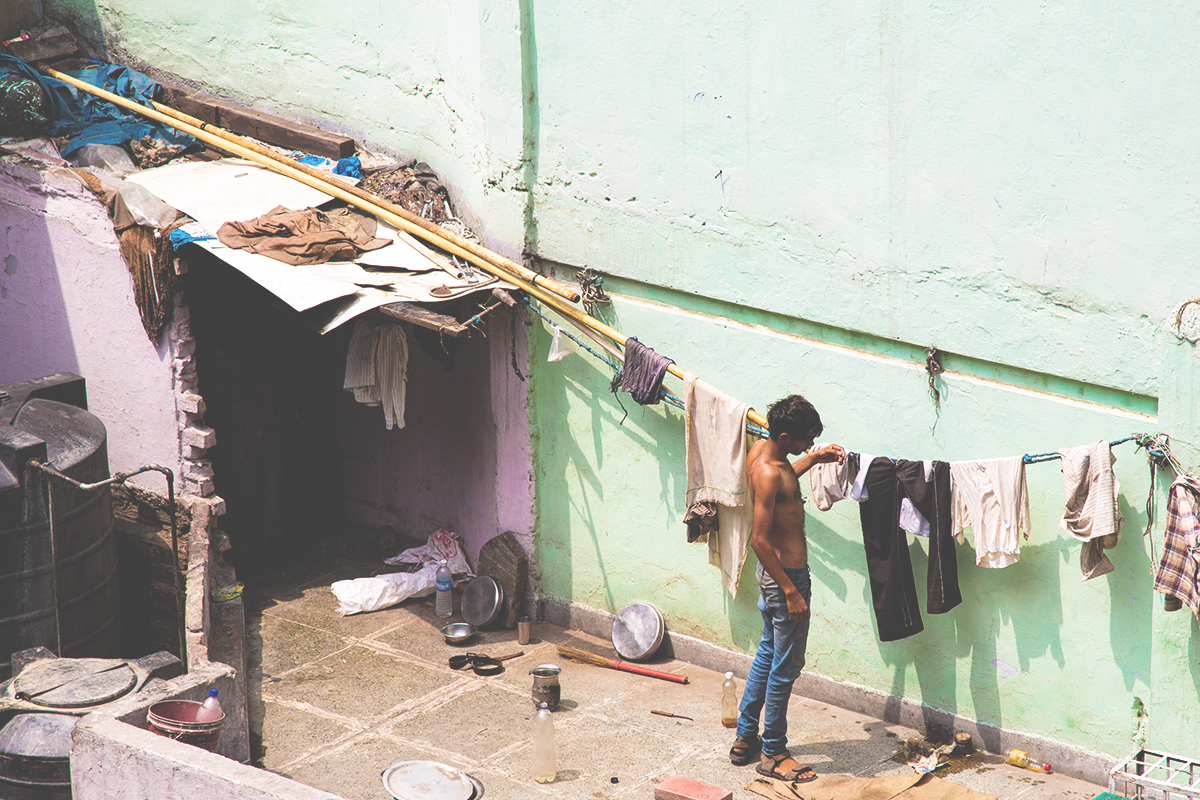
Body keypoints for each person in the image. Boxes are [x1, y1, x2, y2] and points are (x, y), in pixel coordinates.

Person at [729, 394, 844, 783]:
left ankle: (745, 737)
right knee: (786, 667)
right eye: (804, 440)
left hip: (776, 578)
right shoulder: (768, 473)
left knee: (767, 653)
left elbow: (783, 480)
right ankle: (774, 752)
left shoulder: (764, 451)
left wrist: (813, 459)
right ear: (783, 434)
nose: (808, 445)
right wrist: (791, 591)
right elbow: (758, 539)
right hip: (786, 578)